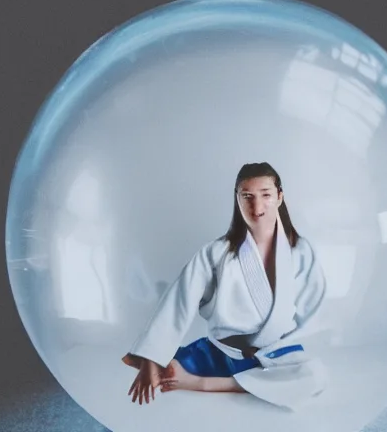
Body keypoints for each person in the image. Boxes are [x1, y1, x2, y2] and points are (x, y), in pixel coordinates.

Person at [122, 163, 326, 407]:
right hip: (219, 353)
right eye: (247, 196)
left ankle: (204, 383)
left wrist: (282, 341)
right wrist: (151, 360)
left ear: (280, 196)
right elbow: (179, 300)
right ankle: (222, 376)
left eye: (266, 195)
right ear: (237, 198)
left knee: (315, 375)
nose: (257, 206)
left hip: (274, 354)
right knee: (168, 366)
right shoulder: (216, 253)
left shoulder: (301, 252)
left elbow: (311, 310)